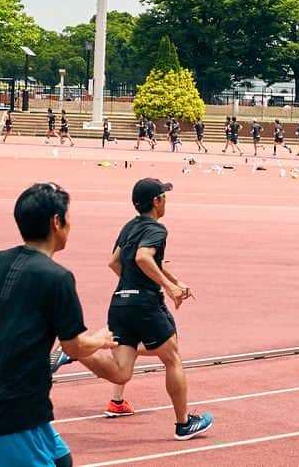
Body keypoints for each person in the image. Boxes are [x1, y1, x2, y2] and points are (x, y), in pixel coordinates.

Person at [0, 183, 128, 467]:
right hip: (12, 409)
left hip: (16, 403)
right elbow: (74, 345)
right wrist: (101, 340)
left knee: (62, 461)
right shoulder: (57, 278)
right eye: (68, 217)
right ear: (56, 222)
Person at [89, 178, 214, 439]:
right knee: (172, 357)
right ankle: (183, 424)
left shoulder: (129, 227)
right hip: (144, 304)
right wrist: (167, 288)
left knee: (122, 372)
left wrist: (171, 281)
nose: (166, 200)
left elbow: (115, 262)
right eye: (164, 196)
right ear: (156, 201)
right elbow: (143, 257)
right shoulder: (158, 229)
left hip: (120, 301)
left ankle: (80, 349)